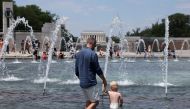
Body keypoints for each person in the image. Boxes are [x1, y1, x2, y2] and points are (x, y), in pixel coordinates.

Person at [75, 37, 107, 109]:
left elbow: (76, 71)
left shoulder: (78, 54)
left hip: (82, 82)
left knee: (89, 101)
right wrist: (104, 80)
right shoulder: (93, 54)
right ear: (93, 44)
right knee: (95, 102)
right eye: (95, 45)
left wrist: (82, 79)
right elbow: (97, 69)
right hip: (90, 82)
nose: (95, 47)